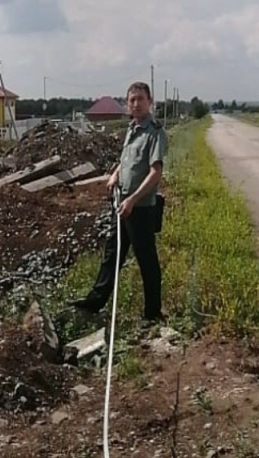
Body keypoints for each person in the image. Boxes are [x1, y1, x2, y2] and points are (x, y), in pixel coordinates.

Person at [70, 81, 167, 324]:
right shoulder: (132, 129)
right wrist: (115, 174)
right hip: (122, 204)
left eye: (140, 99)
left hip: (141, 208)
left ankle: (152, 314)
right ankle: (94, 302)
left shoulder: (154, 132)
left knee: (147, 261)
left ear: (150, 102)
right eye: (132, 100)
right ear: (127, 104)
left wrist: (133, 199)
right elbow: (127, 161)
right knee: (112, 253)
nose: (136, 104)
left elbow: (155, 172)